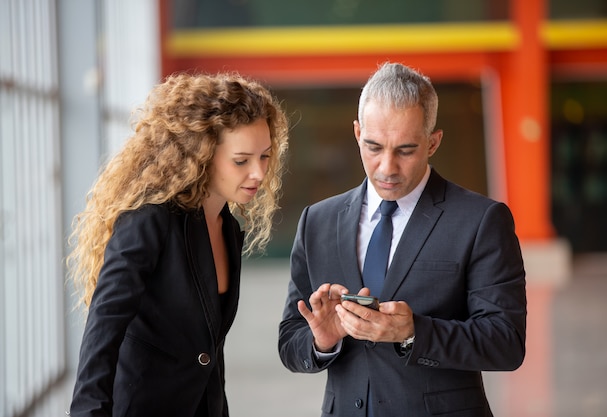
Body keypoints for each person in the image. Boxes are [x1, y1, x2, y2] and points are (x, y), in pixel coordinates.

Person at [278, 62, 526, 417]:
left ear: (434, 142)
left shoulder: (481, 220)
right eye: (373, 147)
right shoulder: (317, 221)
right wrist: (322, 341)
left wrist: (413, 332)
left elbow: (506, 344)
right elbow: (290, 340)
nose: (387, 168)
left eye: (405, 150)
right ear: (356, 133)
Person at [67, 71, 289, 417]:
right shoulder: (149, 219)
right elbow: (104, 325)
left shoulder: (227, 226)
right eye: (241, 160)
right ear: (201, 154)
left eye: (264, 156)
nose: (259, 173)